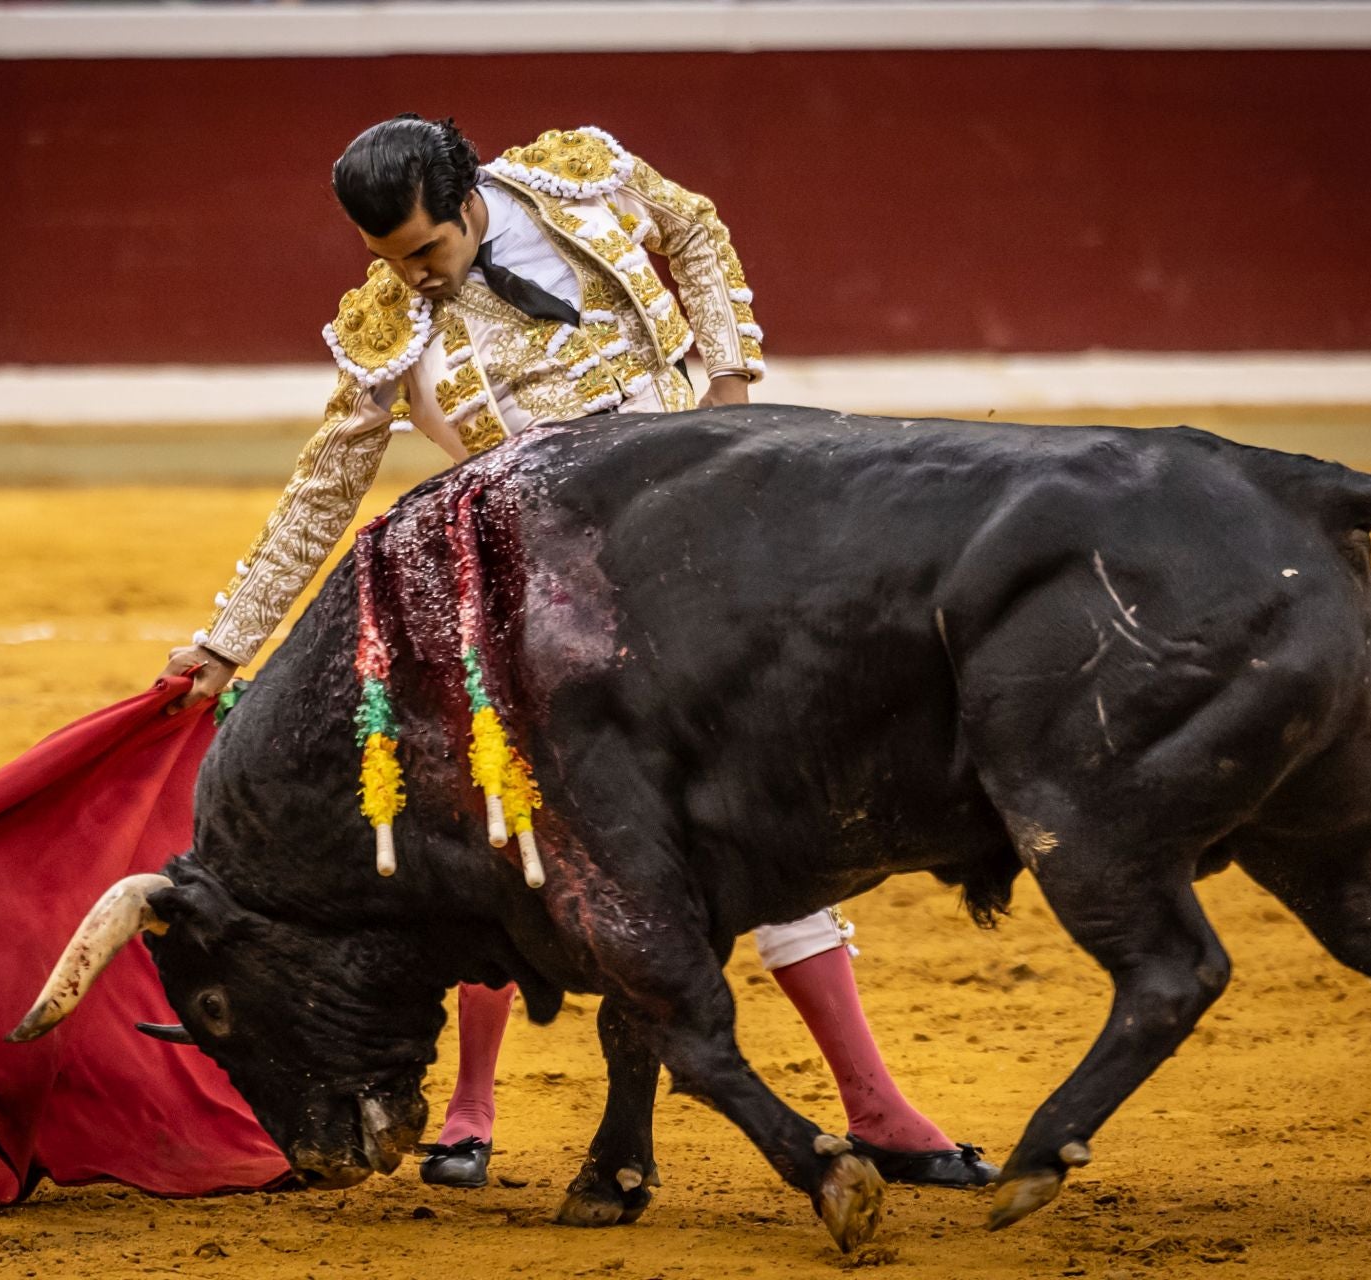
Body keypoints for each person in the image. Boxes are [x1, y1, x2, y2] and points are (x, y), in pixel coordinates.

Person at [153, 116, 994, 1193]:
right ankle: (471, 1101)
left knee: (748, 813)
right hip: (526, 601)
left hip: (690, 566)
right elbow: (324, 485)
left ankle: (876, 1103)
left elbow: (694, 228)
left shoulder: (574, 182)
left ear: (467, 200)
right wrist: (228, 643)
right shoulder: (384, 323)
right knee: (486, 831)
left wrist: (729, 397)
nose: (411, 278)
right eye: (387, 260)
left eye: (424, 251)